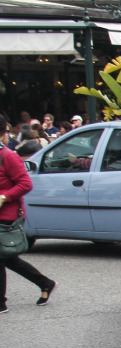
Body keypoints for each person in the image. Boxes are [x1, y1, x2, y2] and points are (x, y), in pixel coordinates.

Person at [0, 116, 56, 314]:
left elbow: (25, 184)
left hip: (6, 214)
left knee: (2, 257)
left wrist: (5, 196)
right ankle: (45, 283)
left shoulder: (7, 156)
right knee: (8, 258)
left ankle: (1, 303)